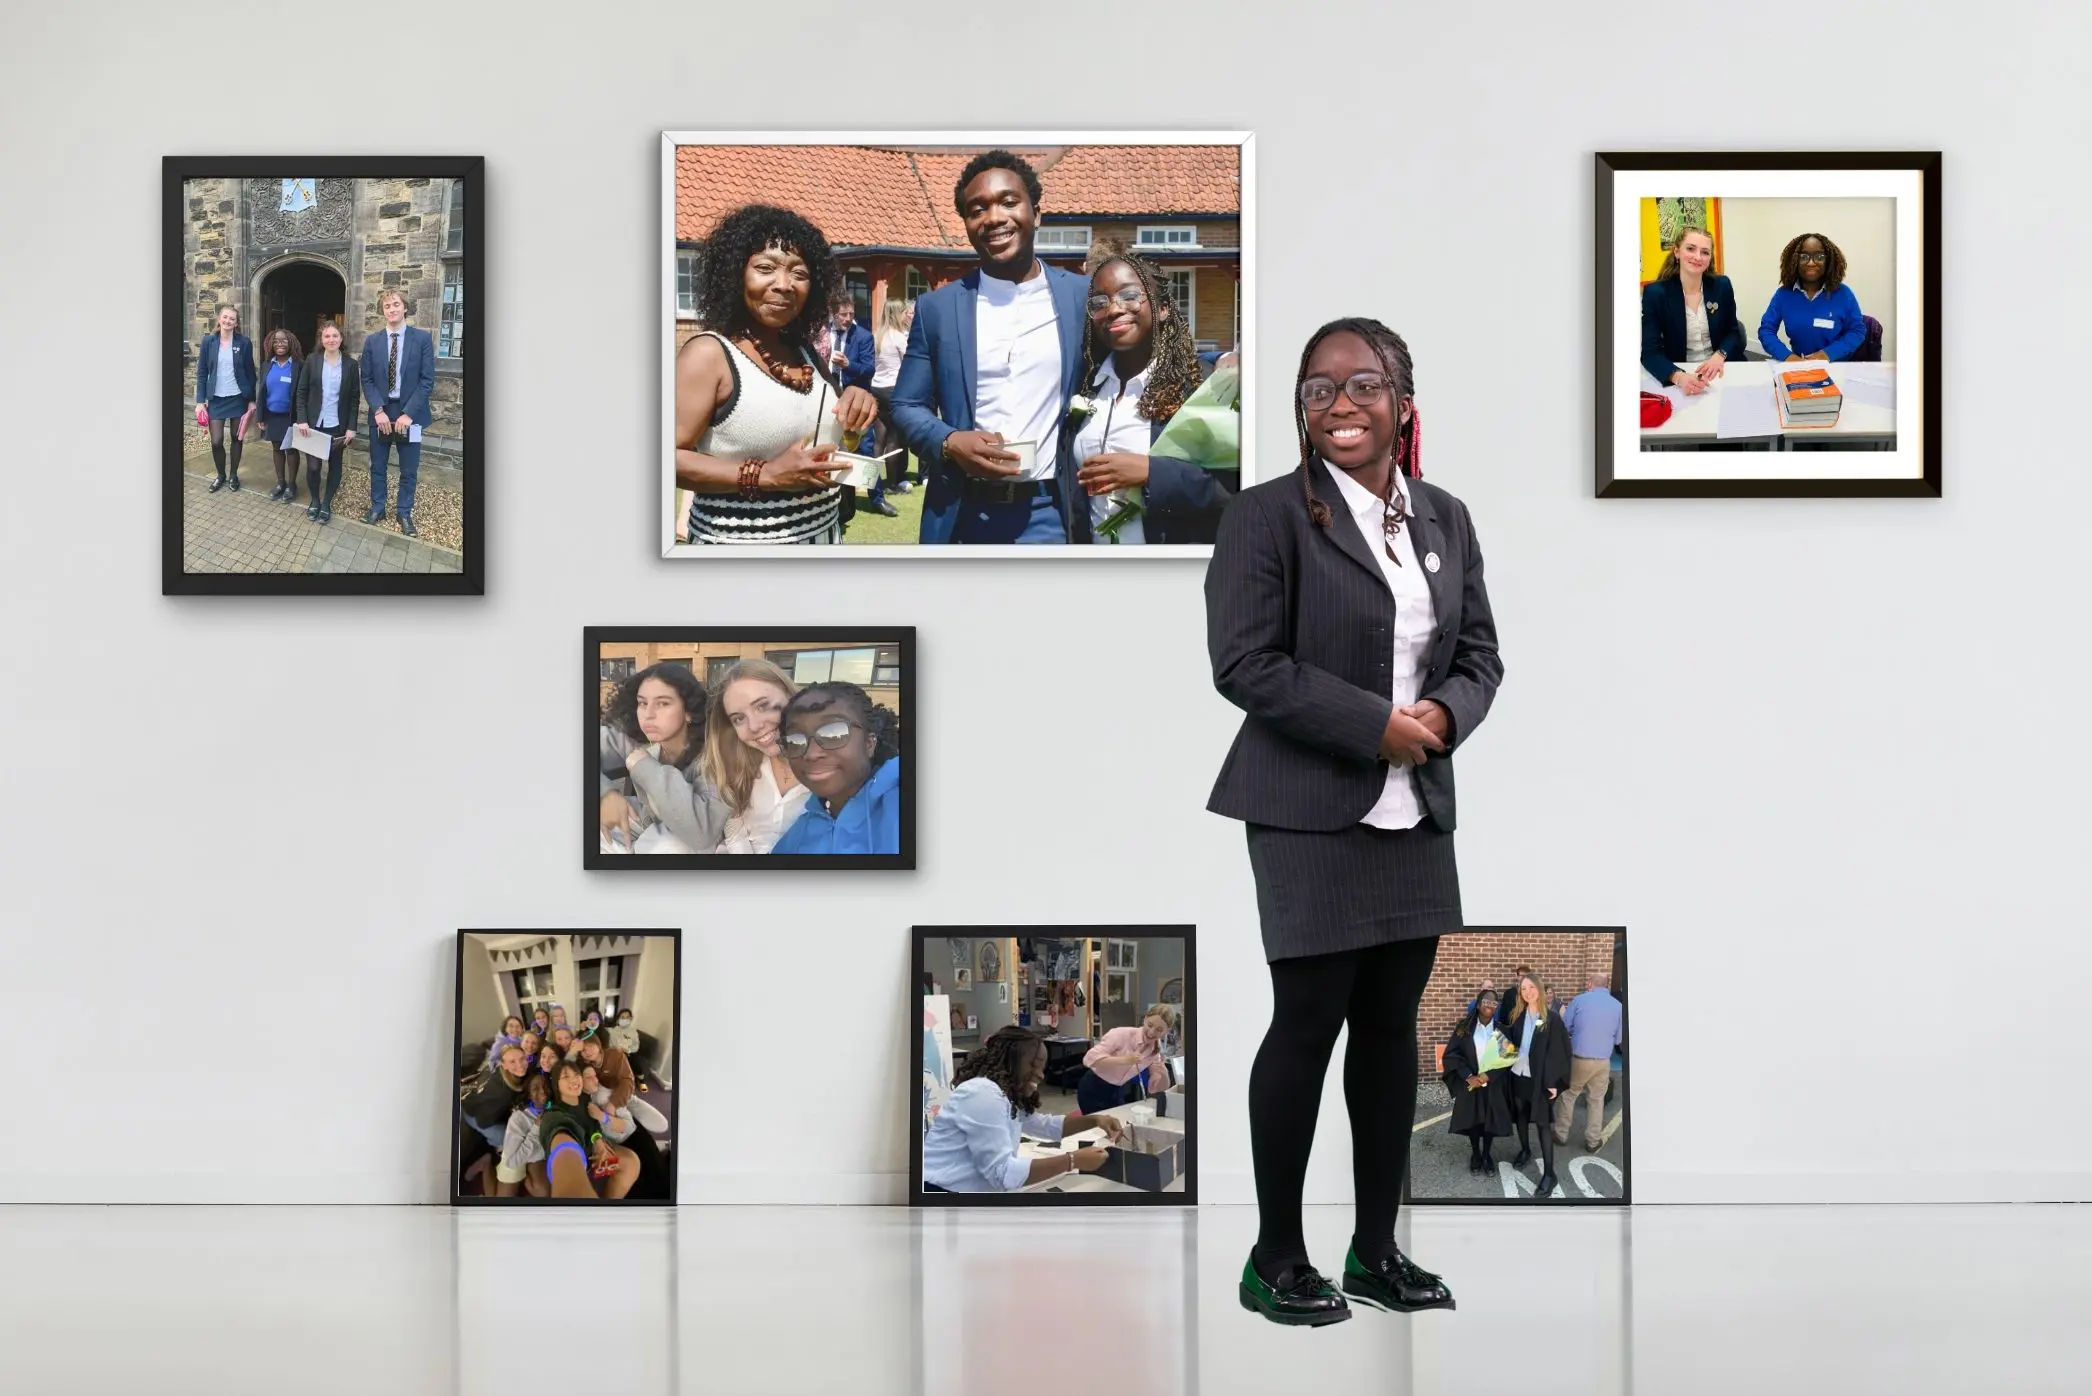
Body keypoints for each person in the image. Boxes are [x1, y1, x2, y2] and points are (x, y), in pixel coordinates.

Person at [1206, 317, 1502, 1325]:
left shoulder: (1446, 519)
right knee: (1307, 1026)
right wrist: (1371, 724)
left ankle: (1376, 1252)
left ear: (1402, 402)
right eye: (1317, 389)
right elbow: (1244, 664)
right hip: (1304, 809)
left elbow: (1479, 656)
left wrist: (1442, 715)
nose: (1339, 405)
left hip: (1415, 811)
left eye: (1362, 385)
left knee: (1389, 1031)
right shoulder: (1265, 518)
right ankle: (1274, 1255)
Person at [891, 151, 1090, 545]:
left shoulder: (1080, 298)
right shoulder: (938, 308)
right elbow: (905, 405)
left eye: (1009, 202)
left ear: (1037, 213)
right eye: (977, 209)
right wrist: (949, 442)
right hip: (964, 513)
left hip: (1051, 512)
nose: (994, 217)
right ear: (966, 224)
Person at [673, 205, 879, 546]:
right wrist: (765, 475)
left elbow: (834, 424)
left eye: (799, 273)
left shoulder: (805, 351)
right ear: (735, 274)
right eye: (765, 268)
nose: (784, 285)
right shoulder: (709, 354)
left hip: (823, 538)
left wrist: (858, 402)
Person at [1067, 243, 1233, 545]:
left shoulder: (1200, 388)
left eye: (1130, 296)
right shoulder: (1088, 386)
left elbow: (1236, 488)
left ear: (1162, 308)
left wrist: (1151, 473)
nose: (1114, 308)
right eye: (1099, 302)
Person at [920, 1026, 1127, 1192]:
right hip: (941, 1192)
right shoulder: (983, 1094)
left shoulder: (1004, 1093)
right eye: (1033, 1065)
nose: (1040, 1075)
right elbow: (1003, 1174)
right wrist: (1073, 1160)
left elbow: (1044, 1126)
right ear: (1012, 1061)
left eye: (1042, 1068)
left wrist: (1095, 1120)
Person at [599, 662, 730, 855]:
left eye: (663, 703)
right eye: (643, 703)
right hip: (644, 833)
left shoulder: (716, 757)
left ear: (689, 712)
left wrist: (643, 765)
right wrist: (605, 794)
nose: (648, 715)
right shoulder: (642, 746)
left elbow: (700, 834)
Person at [771, 682, 902, 855]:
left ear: (869, 743)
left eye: (833, 734)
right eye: (795, 740)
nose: (811, 754)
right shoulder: (798, 835)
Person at [702, 658, 812, 855]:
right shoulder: (736, 766)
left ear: (790, 696)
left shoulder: (831, 764)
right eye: (739, 718)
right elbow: (736, 834)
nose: (754, 726)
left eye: (762, 706)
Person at [359, 289, 436, 537]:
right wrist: (378, 410)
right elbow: (367, 378)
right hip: (381, 412)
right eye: (386, 306)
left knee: (409, 469)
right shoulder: (372, 341)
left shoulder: (422, 339)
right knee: (378, 466)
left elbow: (427, 381)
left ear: (405, 308)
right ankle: (378, 507)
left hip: (410, 414)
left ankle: (404, 513)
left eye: (395, 304)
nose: (391, 309)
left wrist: (408, 415)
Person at [1639, 227, 1747, 397]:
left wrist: (1720, 355)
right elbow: (1649, 352)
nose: (1698, 257)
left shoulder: (1722, 285)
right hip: (1681, 371)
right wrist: (1679, 377)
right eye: (1690, 249)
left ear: (1710, 258)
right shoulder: (1655, 293)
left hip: (1722, 367)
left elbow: (1733, 331)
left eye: (1705, 252)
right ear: (1677, 252)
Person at [1500, 973, 1572, 1198]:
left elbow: (1558, 1051)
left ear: (1539, 989)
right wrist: (1488, 1031)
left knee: (1542, 1123)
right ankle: (1525, 1149)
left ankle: (1550, 1174)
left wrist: (1553, 1082)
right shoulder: (1520, 1016)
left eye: (1531, 987)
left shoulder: (1551, 1018)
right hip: (1518, 1074)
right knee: (1520, 1113)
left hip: (1540, 1078)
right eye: (1523, 989)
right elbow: (1512, 1040)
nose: (1528, 992)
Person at [826, 296, 894, 518]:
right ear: (833, 313)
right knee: (828, 451)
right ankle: (837, 504)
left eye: (851, 315)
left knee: (866, 452)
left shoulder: (863, 337)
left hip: (857, 405)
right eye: (843, 315)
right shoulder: (821, 335)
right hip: (827, 403)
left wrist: (849, 365)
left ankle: (878, 499)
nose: (848, 319)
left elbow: (869, 370)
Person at [1757, 233, 1866, 363]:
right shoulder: (1783, 295)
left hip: (1835, 365)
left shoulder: (1843, 293)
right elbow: (1766, 330)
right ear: (1794, 261)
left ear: (1829, 260)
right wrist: (1787, 356)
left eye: (1819, 256)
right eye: (1804, 257)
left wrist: (1827, 354)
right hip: (1799, 365)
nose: (1811, 263)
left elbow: (1857, 331)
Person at [539, 1060, 640, 1200]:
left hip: (596, 1159)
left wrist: (598, 1141)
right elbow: (560, 1131)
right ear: (556, 1084)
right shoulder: (555, 1114)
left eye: (576, 1074)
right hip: (581, 1166)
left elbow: (593, 1125)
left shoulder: (585, 1099)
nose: (574, 1079)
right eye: (565, 1076)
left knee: (631, 1162)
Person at [292, 321, 360, 525]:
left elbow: (355, 399)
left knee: (335, 465)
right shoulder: (312, 361)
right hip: (313, 423)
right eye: (327, 336)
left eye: (335, 336)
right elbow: (301, 392)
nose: (331, 339)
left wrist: (351, 427)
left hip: (337, 425)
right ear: (321, 340)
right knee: (313, 466)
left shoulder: (351, 365)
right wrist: (302, 419)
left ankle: (327, 503)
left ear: (341, 339)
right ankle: (314, 500)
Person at [1442, 989, 1513, 1175]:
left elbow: (1507, 1059)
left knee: (1489, 1122)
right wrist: (1468, 1076)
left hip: (1492, 1084)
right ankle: (1475, 1154)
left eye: (1493, 1003)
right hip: (1471, 1084)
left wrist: (1488, 1075)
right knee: (1472, 1122)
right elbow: (1451, 1055)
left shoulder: (1500, 1029)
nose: (1489, 1005)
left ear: (1496, 1007)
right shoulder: (1464, 1027)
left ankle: (1487, 1154)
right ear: (1478, 1004)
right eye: (1486, 1001)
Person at [1554, 971, 1623, 1153]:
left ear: (1591, 984)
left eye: (1588, 982)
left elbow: (1565, 1026)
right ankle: (1593, 1140)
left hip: (1579, 1059)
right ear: (1606, 985)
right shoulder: (1618, 1006)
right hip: (1603, 1061)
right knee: (1596, 1099)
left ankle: (1561, 1134)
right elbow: (1618, 1040)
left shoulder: (1579, 1000)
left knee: (1569, 1095)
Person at [194, 304, 256, 493]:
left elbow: (250, 372)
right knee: (216, 441)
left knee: (236, 439)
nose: (228, 321)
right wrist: (199, 401)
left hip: (238, 397)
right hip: (216, 399)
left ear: (236, 323)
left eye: (232, 318)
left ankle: (234, 475)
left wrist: (252, 399)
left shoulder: (244, 342)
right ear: (219, 319)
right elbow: (202, 371)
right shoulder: (208, 342)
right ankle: (220, 475)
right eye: (225, 317)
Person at [1076, 1004, 1177, 1115]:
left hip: (1116, 1090)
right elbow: (1088, 1059)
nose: (1151, 1032)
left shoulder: (1155, 1050)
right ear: (1145, 1018)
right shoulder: (1121, 1034)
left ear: (1167, 1031)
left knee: (1120, 1124)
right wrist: (1125, 1060)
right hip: (1092, 1087)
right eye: (1150, 1025)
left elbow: (1154, 1089)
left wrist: (1164, 1074)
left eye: (1159, 1030)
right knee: (1099, 1128)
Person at [868, 298, 915, 494]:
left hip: (877, 387)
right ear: (898, 313)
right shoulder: (898, 337)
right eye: (905, 312)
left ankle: (874, 481)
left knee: (879, 439)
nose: (907, 315)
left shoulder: (878, 335)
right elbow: (910, 363)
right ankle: (893, 484)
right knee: (895, 439)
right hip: (894, 389)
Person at [255, 330, 304, 503]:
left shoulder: (298, 365)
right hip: (272, 415)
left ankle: (292, 485)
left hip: (290, 416)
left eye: (283, 341)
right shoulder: (267, 365)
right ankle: (280, 483)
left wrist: (303, 419)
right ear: (271, 344)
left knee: (290, 449)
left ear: (290, 343)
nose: (280, 344)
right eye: (276, 341)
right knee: (277, 448)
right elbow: (262, 392)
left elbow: (302, 393)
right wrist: (260, 415)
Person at [461, 1042, 530, 1156]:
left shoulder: (519, 1075)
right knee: (507, 1138)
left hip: (481, 1104)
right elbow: (483, 1120)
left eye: (522, 1058)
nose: (520, 1064)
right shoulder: (502, 1092)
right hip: (476, 1116)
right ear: (504, 1065)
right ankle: (494, 1150)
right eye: (512, 1061)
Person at [494, 1072, 551, 1197]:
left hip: (535, 1157)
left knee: (545, 1193)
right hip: (514, 1157)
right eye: (535, 1089)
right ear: (529, 1095)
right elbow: (512, 1162)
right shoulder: (518, 1119)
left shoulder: (552, 1110)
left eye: (545, 1086)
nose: (542, 1091)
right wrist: (537, 1128)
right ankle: (486, 1163)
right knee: (501, 1207)